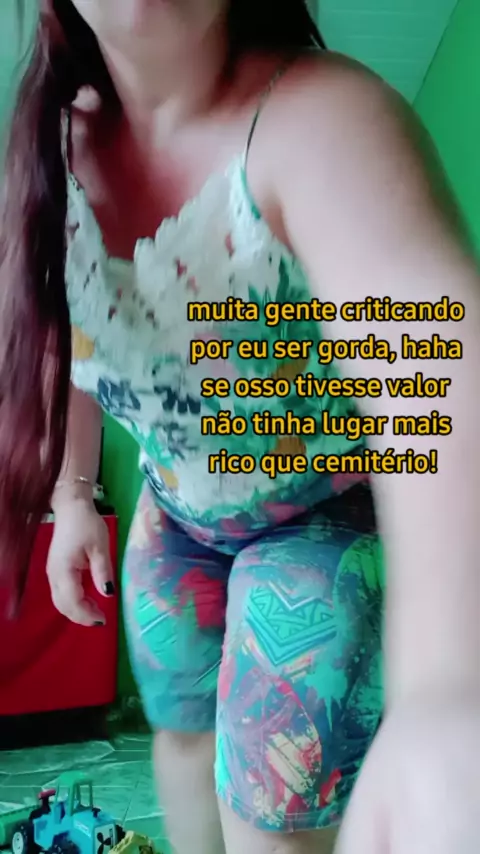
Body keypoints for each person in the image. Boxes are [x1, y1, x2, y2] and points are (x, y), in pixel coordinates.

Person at [0, 0, 479, 852]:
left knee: (270, 811)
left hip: (318, 517)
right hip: (173, 516)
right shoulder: (53, 143)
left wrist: (446, 688)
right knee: (184, 742)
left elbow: (433, 373)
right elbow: (70, 333)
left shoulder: (316, 123)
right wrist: (72, 496)